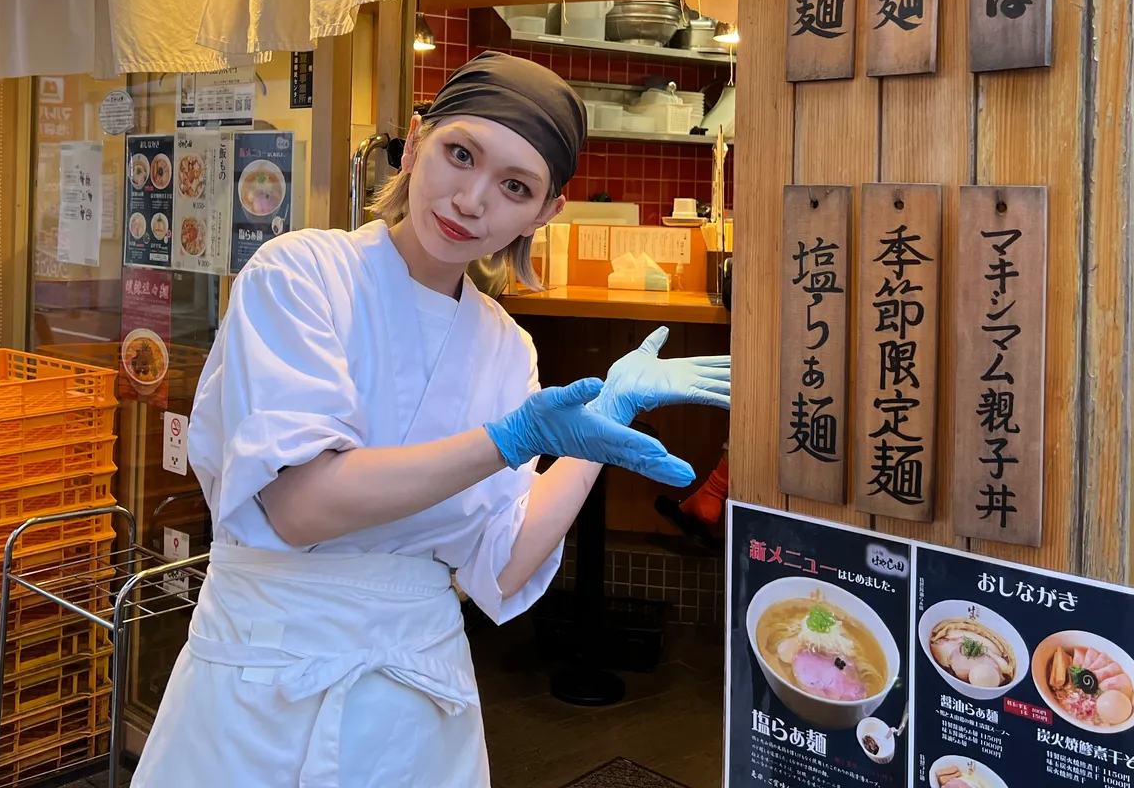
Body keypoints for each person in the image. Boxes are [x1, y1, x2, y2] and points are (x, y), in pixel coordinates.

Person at [131, 52, 732, 787]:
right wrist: (509, 442)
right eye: (460, 154)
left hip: (417, 700)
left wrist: (603, 418)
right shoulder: (300, 275)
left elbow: (502, 565)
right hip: (262, 678)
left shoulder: (507, 350)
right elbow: (300, 507)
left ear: (544, 213)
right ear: (415, 144)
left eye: (515, 187)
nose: (473, 200)